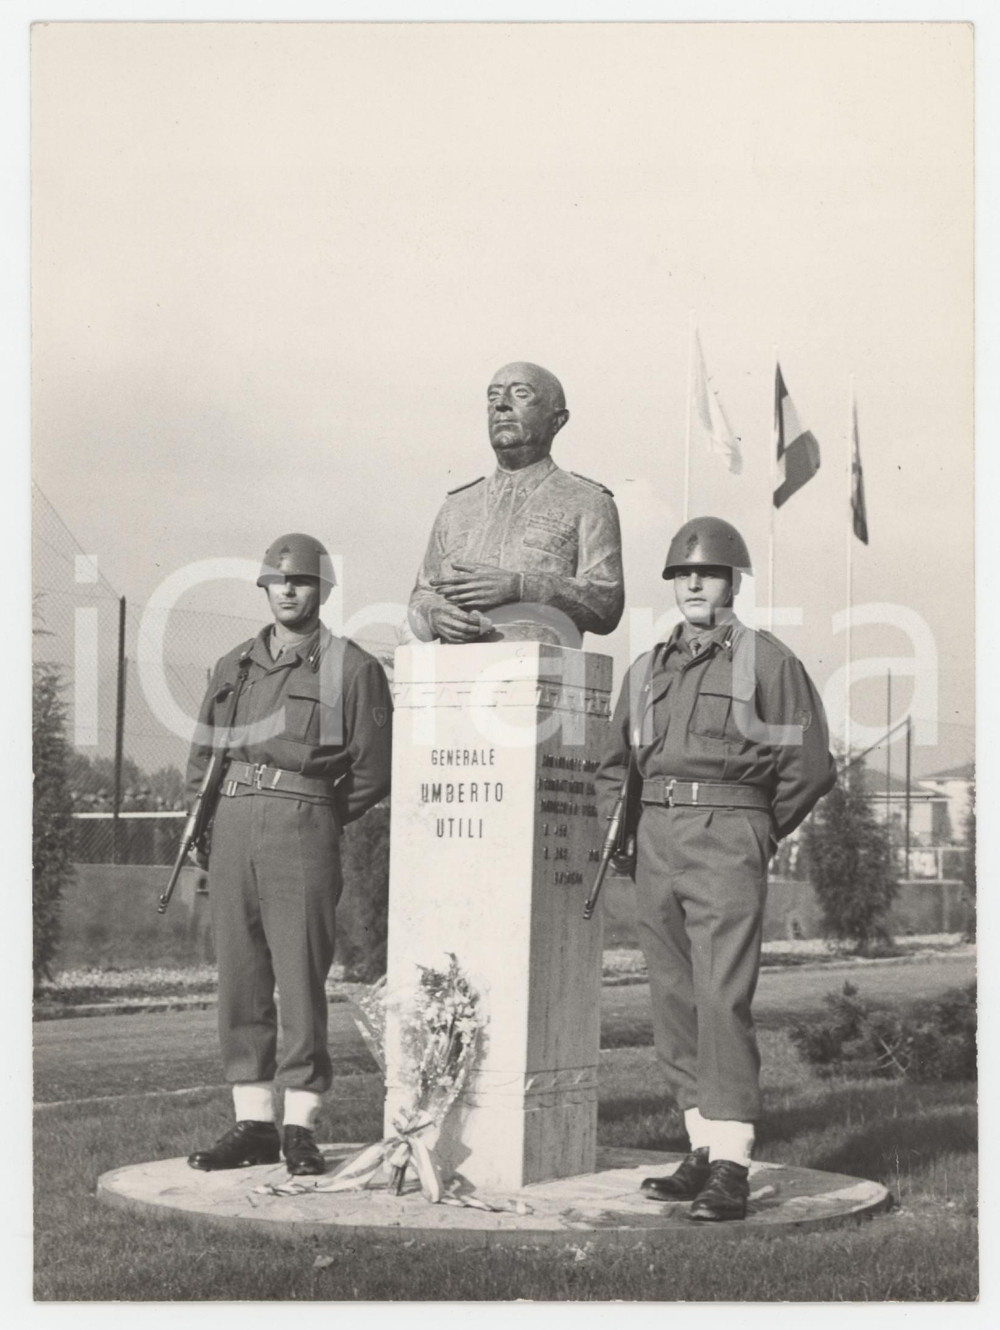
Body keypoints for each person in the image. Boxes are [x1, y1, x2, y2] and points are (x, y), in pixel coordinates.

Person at [595, 517, 836, 1221]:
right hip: (657, 841)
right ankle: (700, 1145)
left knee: (720, 995)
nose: (694, 583)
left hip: (727, 833)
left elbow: (809, 765)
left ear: (733, 582)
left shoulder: (764, 659)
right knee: (673, 998)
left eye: (708, 572)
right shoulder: (646, 670)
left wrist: (756, 828)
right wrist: (626, 831)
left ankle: (733, 1161)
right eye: (682, 574)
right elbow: (615, 766)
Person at [184, 533, 393, 1175]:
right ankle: (252, 1124)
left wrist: (319, 812)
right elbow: (203, 755)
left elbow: (374, 770)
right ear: (264, 588)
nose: (287, 589)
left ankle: (300, 1125)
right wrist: (202, 823)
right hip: (234, 823)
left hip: (303, 827)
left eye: (300, 581)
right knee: (241, 979)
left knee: (300, 977)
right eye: (277, 581)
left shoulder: (351, 668)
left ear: (321, 589)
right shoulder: (234, 666)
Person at [408, 361, 624, 647]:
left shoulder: (588, 503)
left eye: (521, 394)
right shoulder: (456, 507)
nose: (501, 405)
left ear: (557, 420)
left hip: (540, 674)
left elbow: (606, 602)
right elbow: (422, 594)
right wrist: (435, 615)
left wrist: (521, 587)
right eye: (493, 396)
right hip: (453, 675)